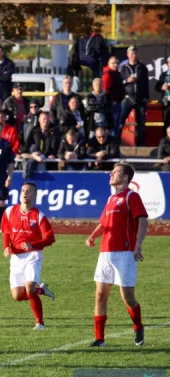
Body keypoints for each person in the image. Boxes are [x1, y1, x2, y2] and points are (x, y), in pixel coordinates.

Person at [85, 163, 148, 347]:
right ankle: (100, 338)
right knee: (100, 295)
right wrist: (92, 236)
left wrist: (138, 245)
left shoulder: (131, 196)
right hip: (105, 253)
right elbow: (104, 223)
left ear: (127, 177)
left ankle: (138, 326)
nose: (111, 174)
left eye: (116, 172)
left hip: (125, 253)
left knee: (127, 297)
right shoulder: (111, 198)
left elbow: (143, 220)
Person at [1, 182, 56, 330]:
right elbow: (6, 232)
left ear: (35, 195)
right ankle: (41, 290)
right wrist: (6, 247)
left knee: (29, 287)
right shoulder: (9, 211)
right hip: (16, 257)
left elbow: (50, 238)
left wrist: (33, 245)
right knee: (18, 295)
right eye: (23, 190)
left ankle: (39, 323)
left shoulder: (39, 216)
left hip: (33, 255)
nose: (25, 193)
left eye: (29, 191)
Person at [119, 46, 149, 146]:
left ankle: (140, 145)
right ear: (128, 55)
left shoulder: (142, 67)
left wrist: (146, 97)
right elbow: (119, 82)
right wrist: (127, 81)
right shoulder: (123, 68)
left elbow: (146, 83)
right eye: (132, 53)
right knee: (120, 121)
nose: (134, 55)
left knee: (141, 123)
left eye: (135, 53)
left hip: (140, 98)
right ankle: (116, 143)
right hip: (127, 98)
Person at [21, 112, 61, 178]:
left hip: (50, 163)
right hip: (35, 159)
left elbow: (56, 146)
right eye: (44, 119)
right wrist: (33, 155)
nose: (45, 121)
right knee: (33, 147)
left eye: (47, 119)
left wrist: (53, 155)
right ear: (39, 119)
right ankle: (26, 175)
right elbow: (27, 145)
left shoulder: (55, 130)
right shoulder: (34, 131)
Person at [102, 56, 125, 136]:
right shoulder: (108, 74)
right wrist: (111, 101)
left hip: (118, 102)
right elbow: (105, 90)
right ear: (108, 64)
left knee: (117, 125)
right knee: (113, 125)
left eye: (117, 63)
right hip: (112, 104)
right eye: (113, 63)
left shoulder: (116, 73)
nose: (116, 65)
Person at [154, 56, 170, 131]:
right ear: (167, 64)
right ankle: (166, 140)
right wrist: (162, 87)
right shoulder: (163, 75)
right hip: (166, 102)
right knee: (166, 122)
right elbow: (157, 87)